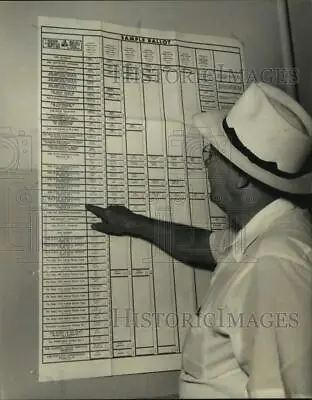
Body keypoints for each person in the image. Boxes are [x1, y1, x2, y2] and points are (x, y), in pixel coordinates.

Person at [86, 82, 312, 398]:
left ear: (241, 176)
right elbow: (205, 244)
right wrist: (133, 223)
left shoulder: (273, 263)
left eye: (213, 153)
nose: (205, 162)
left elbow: (283, 392)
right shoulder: (267, 232)